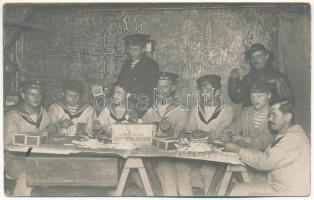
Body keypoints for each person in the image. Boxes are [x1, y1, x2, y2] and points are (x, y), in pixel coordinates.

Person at [226, 100, 310, 196]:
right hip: (276, 186)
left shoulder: (294, 139)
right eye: (269, 115)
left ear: (287, 117)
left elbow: (266, 161)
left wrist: (238, 150)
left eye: (274, 115)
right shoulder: (285, 134)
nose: (270, 119)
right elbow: (267, 155)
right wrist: (246, 145)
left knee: (236, 192)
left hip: (291, 193)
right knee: (235, 189)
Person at [174, 75, 234, 196]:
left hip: (216, 157)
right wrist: (185, 133)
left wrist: (203, 133)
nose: (204, 94)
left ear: (217, 92)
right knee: (180, 166)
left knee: (209, 170)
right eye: (202, 91)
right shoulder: (195, 109)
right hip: (195, 154)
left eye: (208, 91)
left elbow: (221, 134)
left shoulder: (227, 110)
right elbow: (190, 129)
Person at [143, 72, 188, 196]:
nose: (161, 90)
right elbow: (142, 131)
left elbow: (183, 137)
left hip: (175, 156)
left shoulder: (181, 110)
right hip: (153, 156)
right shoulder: (152, 109)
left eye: (165, 87)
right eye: (159, 87)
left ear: (173, 88)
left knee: (171, 168)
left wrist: (169, 129)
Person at [4, 80, 52, 196]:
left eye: (39, 94)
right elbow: (9, 140)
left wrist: (53, 128)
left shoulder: (42, 112)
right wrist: (38, 134)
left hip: (36, 158)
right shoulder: (13, 115)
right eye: (32, 94)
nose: (37, 98)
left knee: (55, 171)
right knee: (29, 174)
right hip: (15, 159)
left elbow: (49, 128)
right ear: (23, 95)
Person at [222, 81, 274, 183]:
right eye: (252, 96)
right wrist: (228, 133)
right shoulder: (246, 111)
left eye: (259, 96)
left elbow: (268, 138)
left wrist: (246, 139)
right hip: (245, 159)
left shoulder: (274, 113)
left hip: (264, 162)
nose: (255, 100)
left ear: (269, 96)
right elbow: (233, 127)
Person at [228, 43, 294, 107]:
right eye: (252, 57)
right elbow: (236, 98)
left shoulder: (279, 78)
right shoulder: (248, 78)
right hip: (249, 117)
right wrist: (233, 79)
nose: (255, 60)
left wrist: (272, 111)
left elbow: (288, 104)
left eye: (258, 56)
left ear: (267, 56)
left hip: (270, 117)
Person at [117, 33, 160, 117]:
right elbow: (120, 82)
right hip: (125, 104)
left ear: (143, 49)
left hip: (141, 107)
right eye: (130, 49)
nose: (132, 53)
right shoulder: (127, 64)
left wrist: (138, 108)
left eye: (135, 49)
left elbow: (151, 91)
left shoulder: (151, 65)